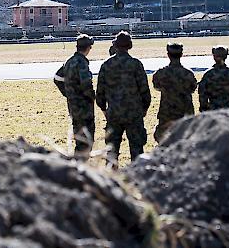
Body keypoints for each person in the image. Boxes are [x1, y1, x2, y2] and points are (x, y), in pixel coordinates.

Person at [96, 31, 151, 168]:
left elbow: (100, 93)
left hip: (114, 113)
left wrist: (104, 110)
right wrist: (143, 109)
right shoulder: (136, 64)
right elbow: (145, 91)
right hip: (134, 113)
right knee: (137, 149)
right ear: (129, 46)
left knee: (112, 150)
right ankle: (137, 177)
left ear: (115, 46)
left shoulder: (106, 65)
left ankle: (111, 178)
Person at [152, 42, 197, 143]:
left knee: (164, 140)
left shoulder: (161, 73)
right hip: (185, 112)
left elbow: (156, 86)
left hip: (166, 111)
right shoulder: (188, 74)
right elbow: (193, 88)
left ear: (168, 55)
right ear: (181, 54)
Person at [62, 34, 96, 159]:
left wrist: (69, 93)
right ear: (88, 48)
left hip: (73, 105)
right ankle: (80, 166)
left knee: (79, 136)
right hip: (84, 106)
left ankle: (77, 164)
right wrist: (92, 97)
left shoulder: (69, 61)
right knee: (87, 140)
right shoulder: (82, 63)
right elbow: (86, 84)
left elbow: (58, 78)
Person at [198, 46, 229, 111]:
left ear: (214, 56)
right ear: (226, 56)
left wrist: (203, 108)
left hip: (214, 110)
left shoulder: (208, 74)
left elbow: (203, 94)